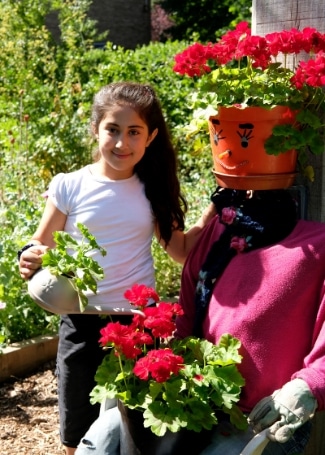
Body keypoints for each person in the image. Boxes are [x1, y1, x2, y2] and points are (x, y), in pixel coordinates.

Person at [17, 81, 215, 455]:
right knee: (76, 432)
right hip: (81, 320)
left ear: (150, 136)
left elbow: (181, 251)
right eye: (113, 129)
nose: (122, 143)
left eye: (134, 132)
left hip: (138, 325)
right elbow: (41, 241)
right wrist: (29, 254)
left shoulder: (152, 190)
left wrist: (216, 205)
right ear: (96, 129)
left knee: (134, 433)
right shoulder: (70, 185)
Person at [175, 186, 325, 454]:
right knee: (107, 434)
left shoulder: (318, 243)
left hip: (266, 419)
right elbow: (184, 316)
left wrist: (310, 386)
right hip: (200, 402)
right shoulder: (218, 231)